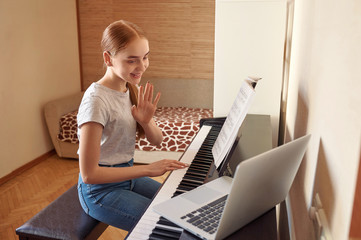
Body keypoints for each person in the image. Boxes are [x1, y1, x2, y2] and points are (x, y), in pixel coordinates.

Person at [77, 20, 188, 230]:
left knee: (178, 207)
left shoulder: (129, 88)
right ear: (108, 58)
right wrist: (147, 169)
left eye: (145, 57)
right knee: (164, 225)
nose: (142, 66)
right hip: (99, 191)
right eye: (132, 60)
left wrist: (146, 122)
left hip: (126, 177)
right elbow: (89, 174)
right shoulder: (96, 101)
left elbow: (158, 140)